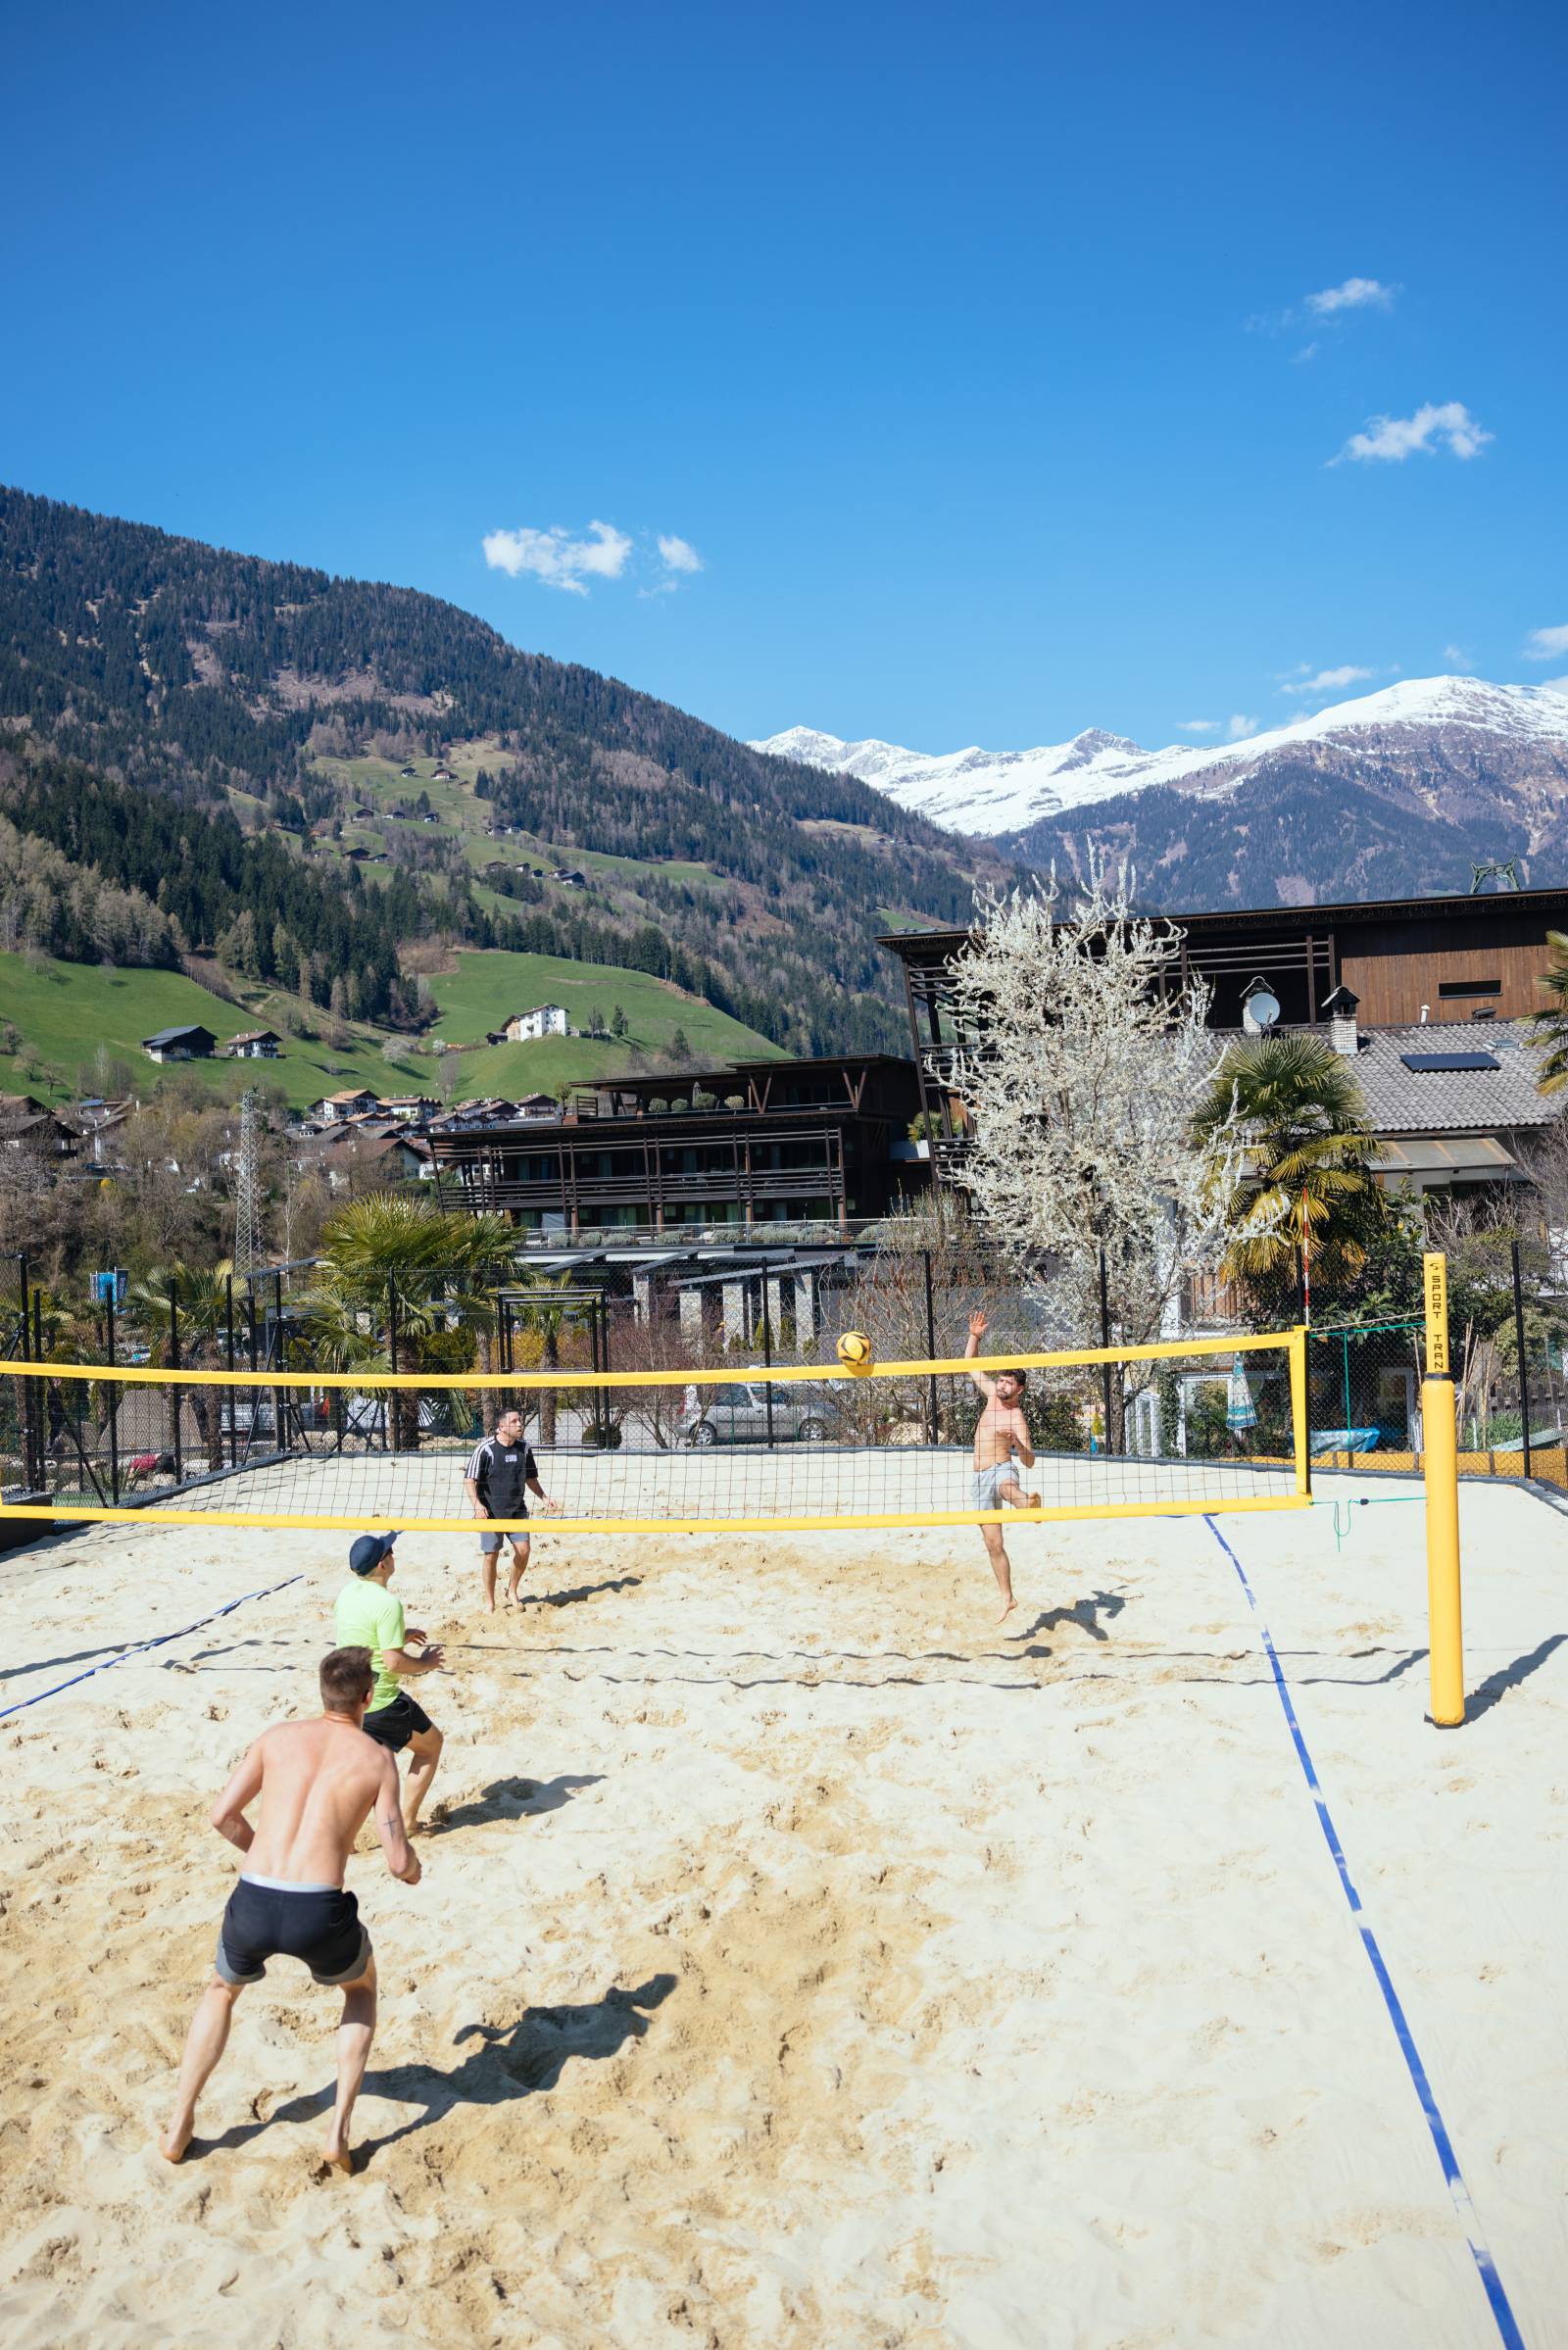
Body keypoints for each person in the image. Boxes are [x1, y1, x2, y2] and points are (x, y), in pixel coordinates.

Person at [159, 1645, 420, 2175]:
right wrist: (413, 1865)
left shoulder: (276, 1739)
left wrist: (262, 1852)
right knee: (362, 1989)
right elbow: (396, 1862)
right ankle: (337, 2132)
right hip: (317, 1911)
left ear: (323, 1693)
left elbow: (222, 1816)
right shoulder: (376, 1758)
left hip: (254, 1895)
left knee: (221, 1989)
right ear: (368, 1698)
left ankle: (180, 2123)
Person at [333, 1532, 445, 1828]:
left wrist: (399, 1637)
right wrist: (424, 1664)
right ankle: (408, 1821)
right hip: (379, 1701)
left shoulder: (346, 1593)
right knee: (431, 1746)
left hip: (346, 1699)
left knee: (367, 1772)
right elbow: (394, 1662)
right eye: (390, 1551)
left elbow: (361, 1636)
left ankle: (344, 1838)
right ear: (382, 1565)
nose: (394, 1554)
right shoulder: (387, 1603)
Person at [963, 1310, 1040, 1623]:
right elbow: (970, 1364)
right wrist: (975, 1336)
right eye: (1003, 1379)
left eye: (1009, 1382)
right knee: (993, 1544)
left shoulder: (1016, 1418)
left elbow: (1029, 1460)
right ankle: (1007, 1597)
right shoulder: (991, 1398)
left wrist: (1018, 1444)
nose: (1003, 1384)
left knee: (1006, 1487)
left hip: (1001, 1469)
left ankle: (1028, 1504)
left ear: (1019, 1390)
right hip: (978, 1478)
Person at [464, 1408, 556, 1612]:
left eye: (520, 1420)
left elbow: (530, 1477)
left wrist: (543, 1496)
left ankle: (512, 1590)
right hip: (490, 1512)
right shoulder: (485, 1448)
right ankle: (490, 1602)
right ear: (502, 1427)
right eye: (514, 1421)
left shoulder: (524, 1447)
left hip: (517, 1510)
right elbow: (470, 1479)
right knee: (491, 1555)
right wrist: (477, 1506)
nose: (519, 1424)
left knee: (523, 1551)